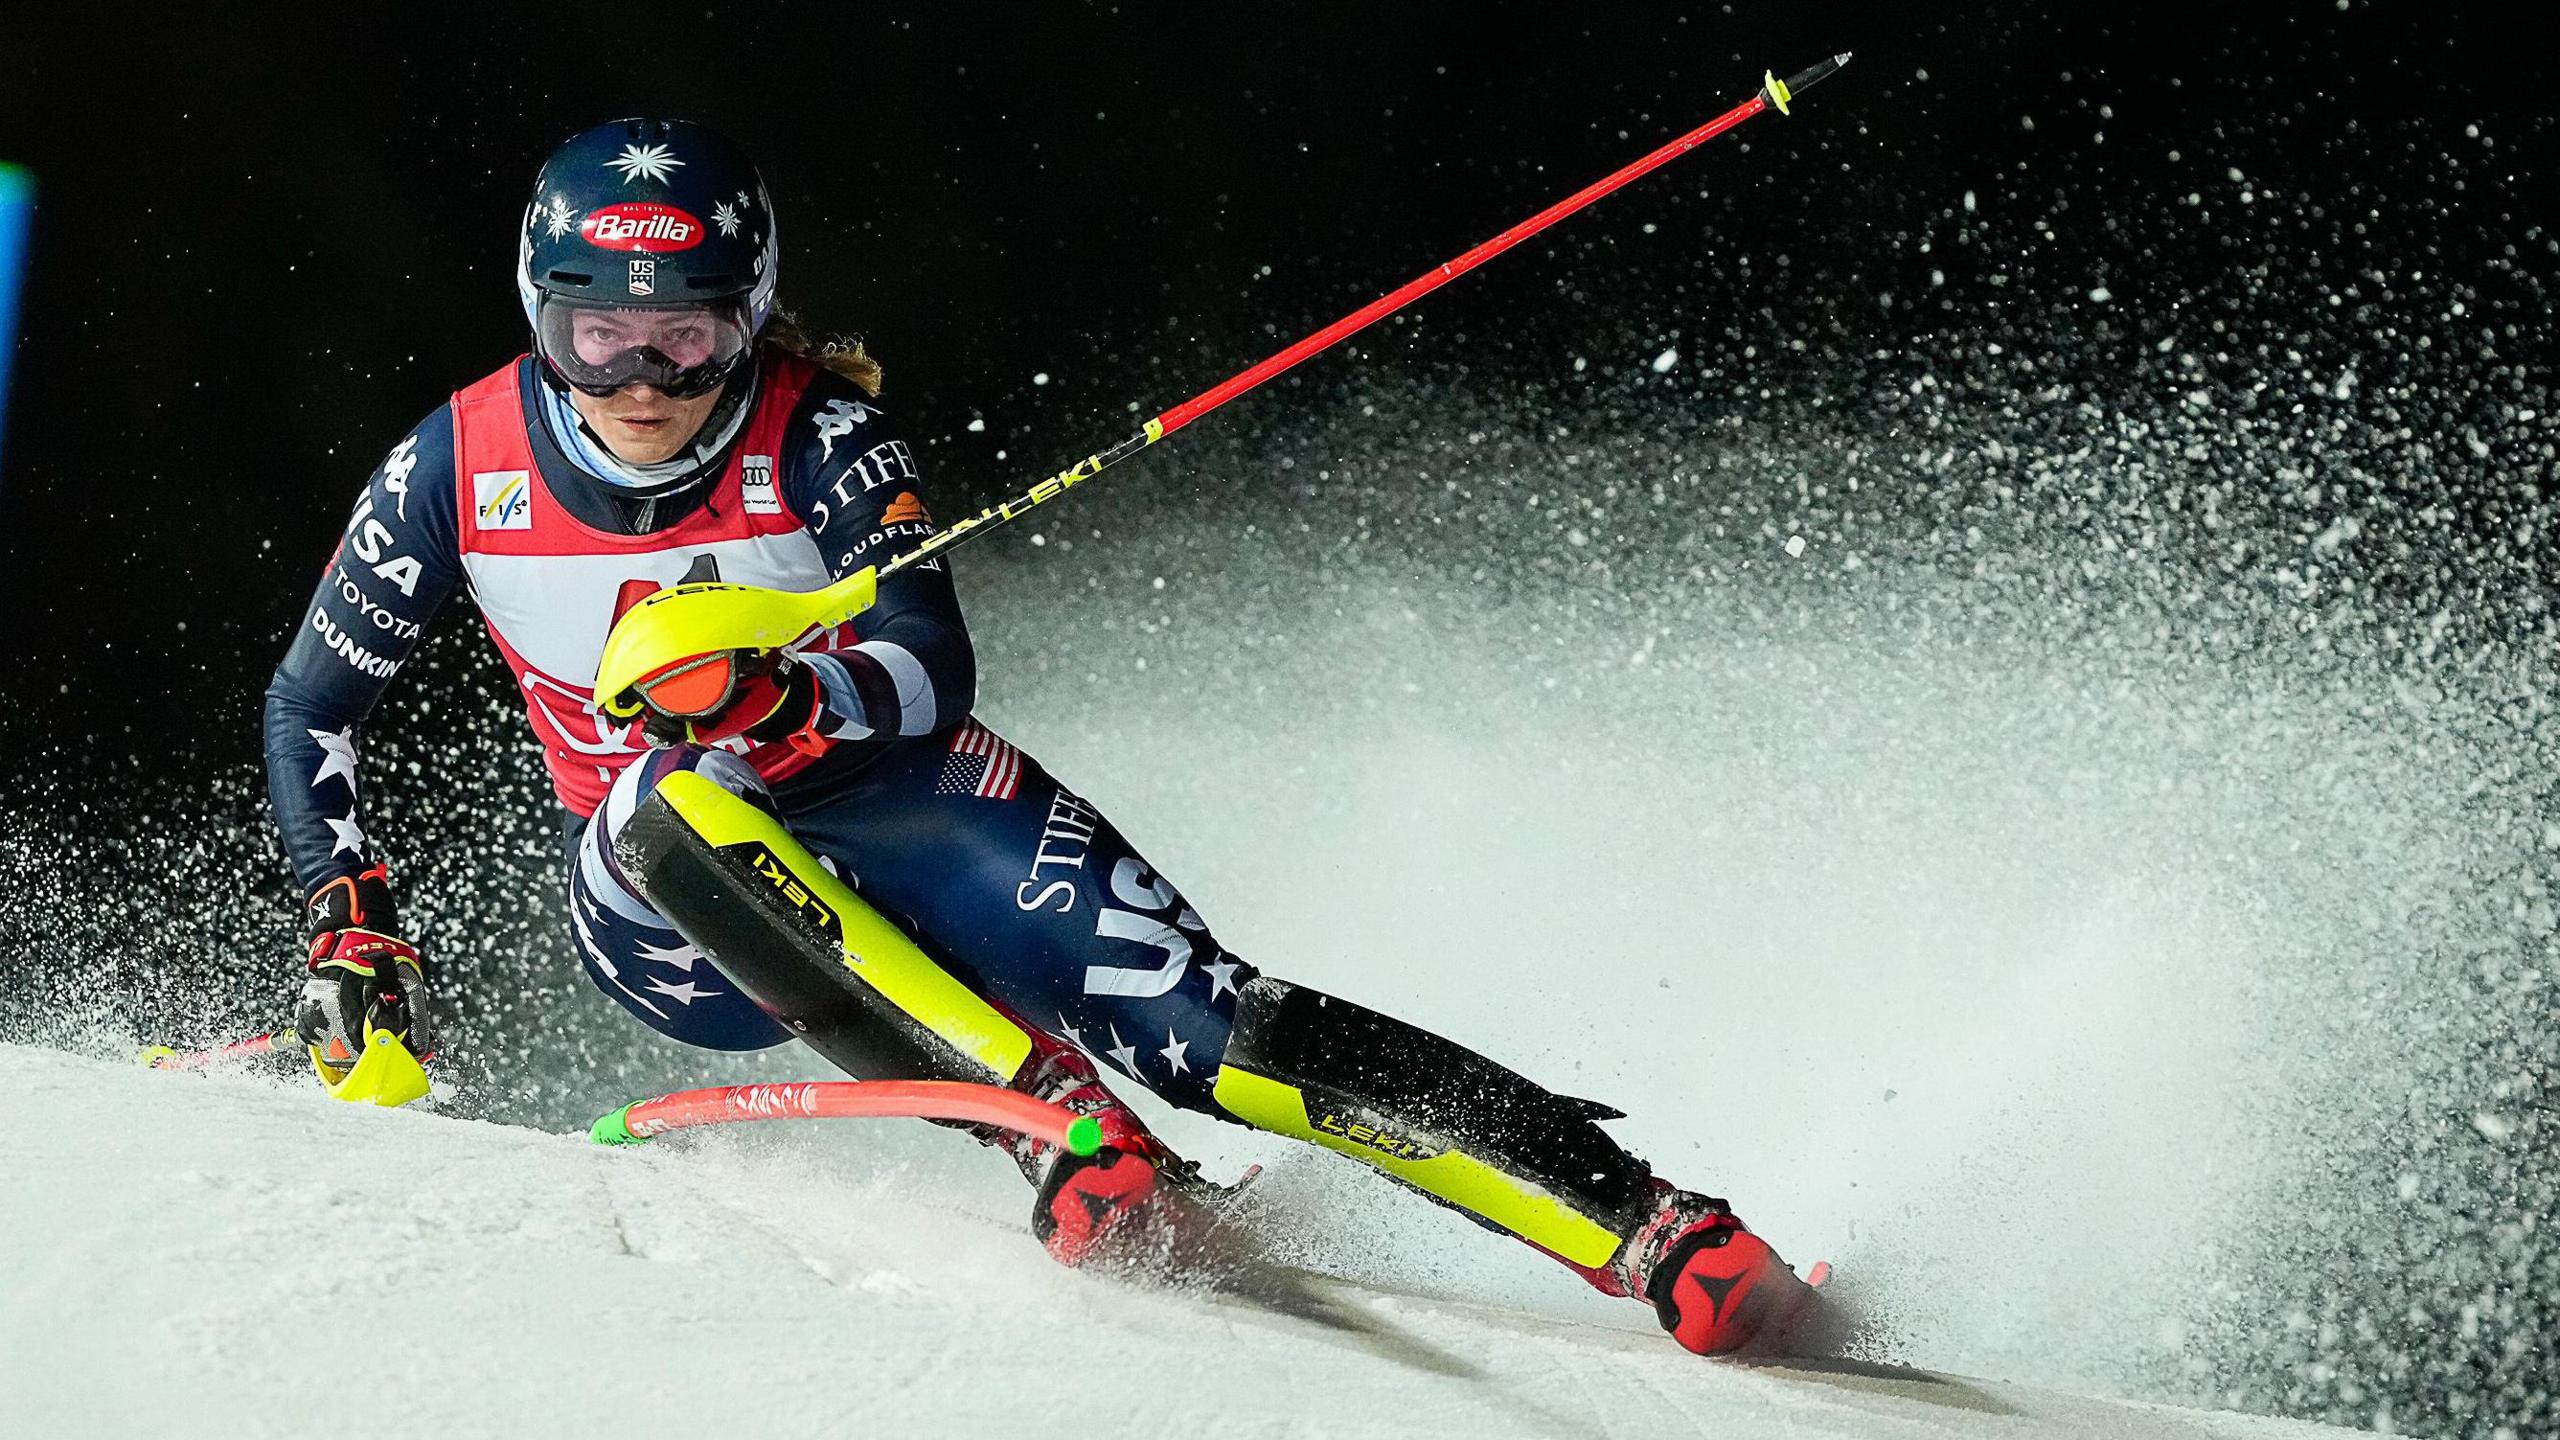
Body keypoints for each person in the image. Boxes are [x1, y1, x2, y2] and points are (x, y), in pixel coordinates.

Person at [263, 117, 1817, 1355]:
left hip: (894, 800)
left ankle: (1647, 1226)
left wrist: (779, 700)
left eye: (690, 337)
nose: (646, 381)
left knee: (1213, 1027)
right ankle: (1053, 1127)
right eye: (599, 338)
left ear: (753, 319)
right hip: (679, 914)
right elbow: (310, 703)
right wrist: (352, 919)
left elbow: (930, 661)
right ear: (538, 316)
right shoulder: (453, 467)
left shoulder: (822, 432)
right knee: (661, 798)